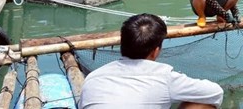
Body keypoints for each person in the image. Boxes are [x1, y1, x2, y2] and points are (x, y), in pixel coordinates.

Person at [79, 13, 224, 108]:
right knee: (203, 103)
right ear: (156, 51)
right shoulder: (164, 77)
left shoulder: (94, 77)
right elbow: (215, 93)